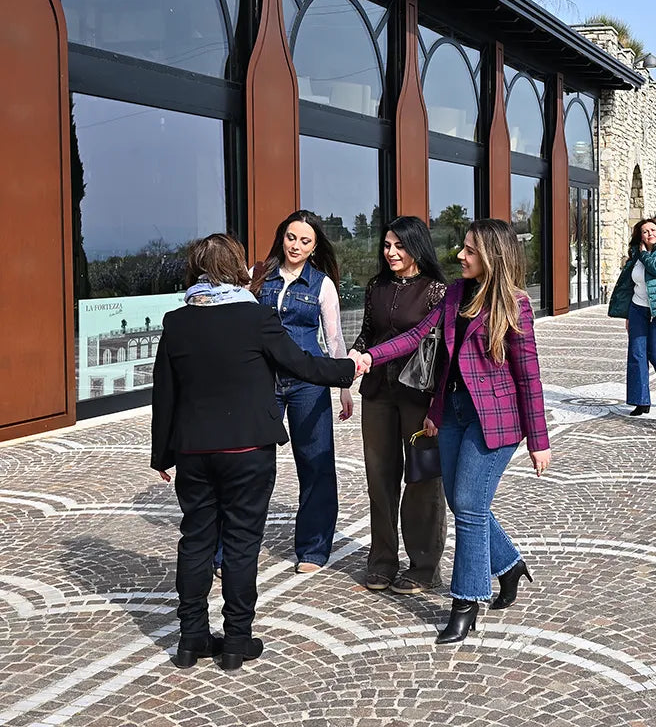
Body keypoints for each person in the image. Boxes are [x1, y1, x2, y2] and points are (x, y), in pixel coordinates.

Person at [150, 233, 357, 670]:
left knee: (196, 540)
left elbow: (164, 393)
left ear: (196, 271)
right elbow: (301, 364)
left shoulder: (177, 321)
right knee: (242, 544)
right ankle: (236, 642)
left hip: (194, 451)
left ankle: (190, 639)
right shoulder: (257, 316)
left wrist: (162, 455)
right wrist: (349, 369)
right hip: (247, 449)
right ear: (236, 268)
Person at [354, 219, 551, 644]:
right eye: (462, 248)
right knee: (462, 500)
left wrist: (539, 441)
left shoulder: (515, 305)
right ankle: (509, 565)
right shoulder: (457, 293)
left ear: (493, 257)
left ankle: (465, 603)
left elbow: (529, 377)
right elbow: (417, 336)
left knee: (469, 506)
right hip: (455, 413)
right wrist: (370, 358)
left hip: (494, 420)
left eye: (470, 250)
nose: (460, 256)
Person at [250, 210, 351, 574]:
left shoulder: (322, 285)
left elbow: (334, 338)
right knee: (251, 465)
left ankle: (313, 548)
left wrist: (343, 387)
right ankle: (232, 548)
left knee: (316, 463)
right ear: (282, 237)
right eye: (291, 237)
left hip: (308, 383)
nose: (296, 246)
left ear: (314, 247)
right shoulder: (257, 275)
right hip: (264, 381)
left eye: (305, 241)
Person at [351, 216, 447, 596]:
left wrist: (437, 404)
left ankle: (424, 566)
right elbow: (367, 333)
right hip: (377, 392)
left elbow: (441, 351)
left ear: (416, 247)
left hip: (418, 396)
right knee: (379, 478)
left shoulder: (436, 291)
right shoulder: (376, 286)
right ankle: (382, 560)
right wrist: (354, 356)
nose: (390, 252)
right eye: (387, 245)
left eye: (399, 246)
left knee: (422, 479)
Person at [607, 218, 656, 415]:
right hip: (638, 308)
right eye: (645, 231)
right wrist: (628, 314)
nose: (650, 233)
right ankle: (641, 401)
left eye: (653, 230)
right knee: (637, 354)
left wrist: (643, 254)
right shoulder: (636, 255)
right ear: (640, 236)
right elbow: (628, 284)